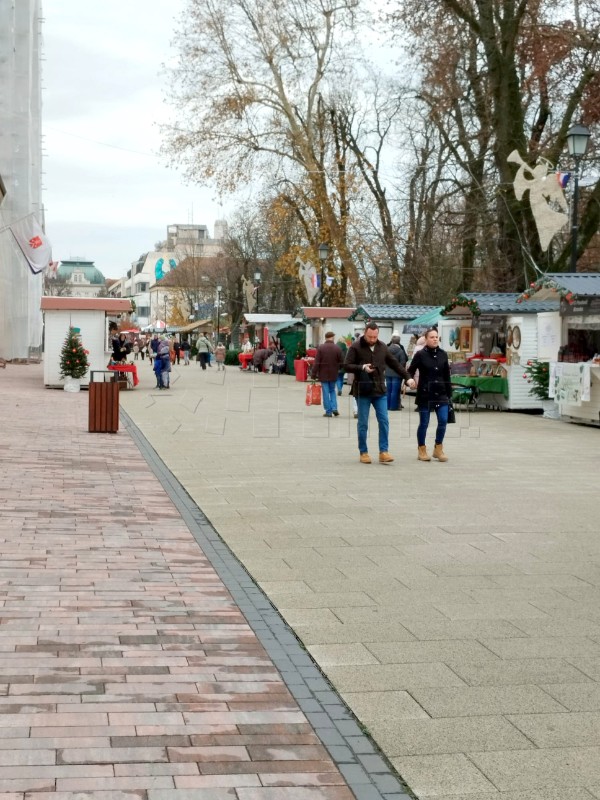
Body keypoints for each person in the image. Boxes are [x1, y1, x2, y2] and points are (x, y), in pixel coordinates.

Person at [345, 322, 416, 464]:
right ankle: (363, 452)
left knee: (384, 420)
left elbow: (395, 364)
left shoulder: (383, 347)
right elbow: (346, 365)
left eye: (375, 336)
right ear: (365, 333)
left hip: (380, 391)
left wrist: (408, 378)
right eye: (370, 336)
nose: (372, 339)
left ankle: (384, 451)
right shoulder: (355, 347)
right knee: (363, 423)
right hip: (363, 390)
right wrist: (362, 367)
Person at [407, 327, 452, 462]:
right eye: (432, 337)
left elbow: (447, 375)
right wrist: (410, 381)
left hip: (442, 393)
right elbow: (410, 371)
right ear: (426, 340)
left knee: (443, 420)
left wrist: (449, 395)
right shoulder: (420, 354)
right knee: (424, 422)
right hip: (425, 394)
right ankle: (422, 449)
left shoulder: (443, 354)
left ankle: (438, 448)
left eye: (436, 337)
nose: (435, 339)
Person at [311, 331, 344, 418]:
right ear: (332, 337)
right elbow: (341, 362)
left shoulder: (321, 348)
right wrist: (338, 369)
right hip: (334, 374)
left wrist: (313, 374)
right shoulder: (337, 348)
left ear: (326, 338)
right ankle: (334, 408)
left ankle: (328, 411)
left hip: (323, 374)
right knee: (332, 391)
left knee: (326, 392)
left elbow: (317, 362)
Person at [386, 332, 408, 411]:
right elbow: (403, 362)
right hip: (397, 374)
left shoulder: (386, 349)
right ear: (399, 341)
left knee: (388, 390)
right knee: (395, 391)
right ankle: (393, 406)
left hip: (388, 373)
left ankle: (387, 406)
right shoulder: (400, 351)